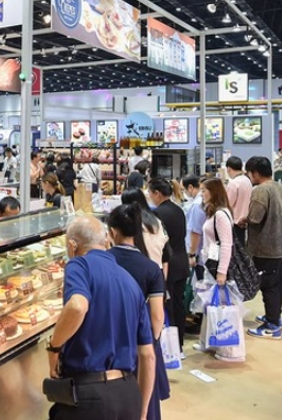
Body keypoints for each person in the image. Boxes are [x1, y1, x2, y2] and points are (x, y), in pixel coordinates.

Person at [46, 215, 155, 420]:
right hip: (128, 393)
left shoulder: (79, 265)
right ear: (106, 241)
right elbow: (148, 355)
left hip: (89, 395)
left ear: (72, 245)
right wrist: (142, 411)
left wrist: (54, 347)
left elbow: (77, 306)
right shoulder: (131, 282)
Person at [106, 204, 169, 420]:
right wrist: (152, 340)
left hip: (108, 343)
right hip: (140, 344)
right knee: (144, 402)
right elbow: (157, 316)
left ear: (112, 232)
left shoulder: (103, 261)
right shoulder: (150, 268)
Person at [237, 156, 282, 340]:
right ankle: (274, 315)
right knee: (277, 283)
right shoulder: (278, 186)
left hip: (268, 247)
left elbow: (255, 217)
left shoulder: (261, 190)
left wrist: (243, 220)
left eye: (249, 173)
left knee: (269, 286)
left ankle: (272, 325)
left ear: (255, 173)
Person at [193, 177, 245, 362]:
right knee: (211, 305)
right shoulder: (213, 212)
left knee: (225, 308)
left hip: (219, 269)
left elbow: (226, 244)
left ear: (213, 192)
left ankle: (230, 350)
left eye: (204, 190)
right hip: (211, 265)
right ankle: (209, 340)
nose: (201, 194)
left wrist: (222, 272)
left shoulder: (221, 215)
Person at [147, 178, 188, 346]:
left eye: (150, 193)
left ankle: (170, 346)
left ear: (157, 193)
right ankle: (179, 343)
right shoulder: (178, 209)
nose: (150, 197)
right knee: (179, 303)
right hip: (182, 260)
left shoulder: (157, 214)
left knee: (168, 305)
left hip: (168, 264)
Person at [121, 188, 169, 269]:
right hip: (157, 267)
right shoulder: (156, 220)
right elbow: (165, 254)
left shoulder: (130, 223)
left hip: (139, 268)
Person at [225, 157, 252, 246]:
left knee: (236, 250)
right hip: (246, 220)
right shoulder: (247, 180)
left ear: (228, 169)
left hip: (235, 222)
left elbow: (227, 204)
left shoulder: (233, 183)